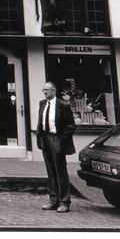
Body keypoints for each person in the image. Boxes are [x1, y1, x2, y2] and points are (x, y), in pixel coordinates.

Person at [36, 81, 76, 212]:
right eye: (43, 90)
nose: (44, 92)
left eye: (47, 90)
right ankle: (53, 200)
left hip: (57, 138)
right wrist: (40, 137)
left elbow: (71, 126)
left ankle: (64, 202)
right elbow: (40, 121)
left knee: (60, 171)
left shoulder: (63, 105)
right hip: (45, 139)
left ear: (54, 91)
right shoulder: (42, 103)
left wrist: (61, 139)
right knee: (50, 171)